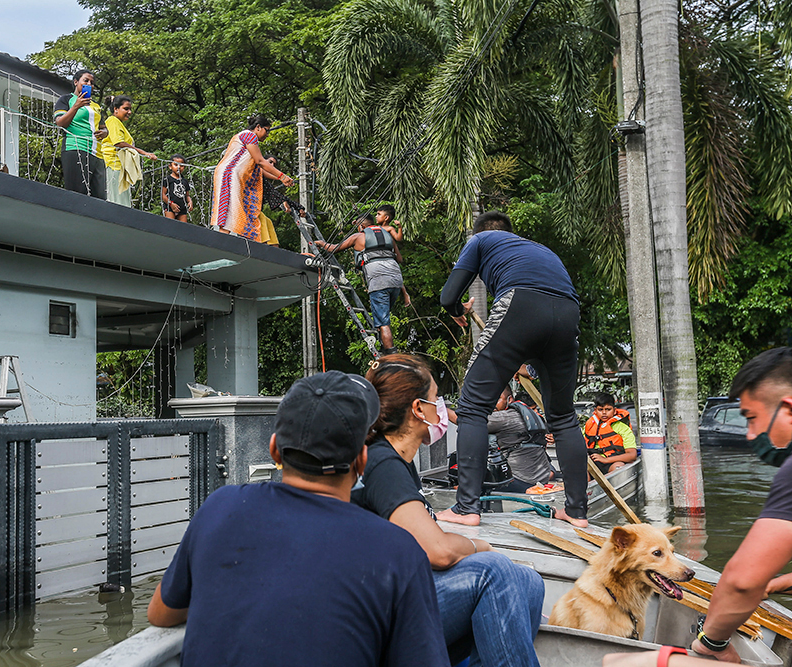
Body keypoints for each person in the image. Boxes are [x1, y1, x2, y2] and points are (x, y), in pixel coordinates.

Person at [147, 370, 450, 667]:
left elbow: (161, 613)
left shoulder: (219, 506)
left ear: (274, 450)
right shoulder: (398, 551)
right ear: (361, 460)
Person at [608, 347, 792, 666]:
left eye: (752, 419)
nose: (751, 434)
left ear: (791, 410)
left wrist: (712, 642)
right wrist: (772, 583)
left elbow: (742, 581)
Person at [352, 354, 545, 667]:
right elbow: (438, 552)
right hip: (384, 615)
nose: (439, 407)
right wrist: (479, 546)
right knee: (494, 571)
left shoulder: (398, 463)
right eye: (434, 398)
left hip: (406, 593)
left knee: (530, 582)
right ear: (417, 409)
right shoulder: (383, 464)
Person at [437, 210, 589, 528]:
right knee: (562, 417)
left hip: (519, 304)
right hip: (567, 312)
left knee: (473, 407)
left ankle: (466, 508)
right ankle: (577, 513)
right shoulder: (541, 250)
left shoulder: (480, 239)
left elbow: (448, 295)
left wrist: (456, 310)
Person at [315, 208, 411, 353]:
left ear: (362, 227)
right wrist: (405, 294)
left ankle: (391, 355)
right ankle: (385, 348)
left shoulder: (358, 236)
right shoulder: (387, 235)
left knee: (384, 323)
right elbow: (399, 259)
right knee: (381, 318)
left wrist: (321, 243)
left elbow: (333, 248)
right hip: (396, 280)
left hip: (379, 281)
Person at [210, 114, 294, 241]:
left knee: (239, 209)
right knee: (230, 209)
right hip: (230, 175)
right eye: (267, 130)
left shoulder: (251, 140)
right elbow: (260, 161)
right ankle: (223, 239)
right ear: (258, 127)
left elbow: (259, 169)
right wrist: (282, 176)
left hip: (234, 177)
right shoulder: (249, 135)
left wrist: (281, 178)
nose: (268, 134)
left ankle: (229, 239)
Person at [488, 386, 557, 493]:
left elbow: (467, 421)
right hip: (540, 473)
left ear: (510, 400)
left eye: (497, 398)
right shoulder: (538, 419)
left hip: (522, 478)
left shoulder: (505, 417)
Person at [54, 70, 108, 198]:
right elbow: (60, 122)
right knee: (77, 194)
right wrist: (76, 107)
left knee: (100, 197)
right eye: (86, 80)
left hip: (97, 153)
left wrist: (104, 133)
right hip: (76, 148)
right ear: (76, 82)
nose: (89, 84)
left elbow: (104, 128)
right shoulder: (66, 99)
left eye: (92, 82)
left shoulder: (95, 106)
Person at [102, 95, 157, 207]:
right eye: (126, 109)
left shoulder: (118, 123)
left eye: (130, 109)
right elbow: (118, 143)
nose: (129, 112)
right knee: (117, 201)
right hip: (113, 166)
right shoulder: (112, 121)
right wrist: (144, 153)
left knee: (123, 201)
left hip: (120, 168)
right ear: (115, 109)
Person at [583, 392, 638, 475]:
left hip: (613, 462)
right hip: (593, 463)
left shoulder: (623, 428)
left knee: (619, 467)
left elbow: (632, 455)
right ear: (595, 411)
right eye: (600, 410)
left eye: (608, 409)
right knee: (580, 468)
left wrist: (605, 460)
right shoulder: (589, 426)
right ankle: (586, 487)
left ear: (614, 410)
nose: (604, 413)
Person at [162, 154, 194, 221]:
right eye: (176, 165)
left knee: (183, 227)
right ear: (170, 166)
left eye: (181, 165)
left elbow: (187, 195)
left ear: (184, 167)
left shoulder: (185, 181)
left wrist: (190, 201)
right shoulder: (167, 179)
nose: (179, 167)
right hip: (170, 207)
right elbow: (163, 195)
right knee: (170, 225)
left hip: (182, 208)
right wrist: (171, 204)